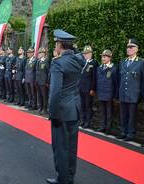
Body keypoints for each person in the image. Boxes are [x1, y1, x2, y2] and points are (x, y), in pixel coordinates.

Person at [47, 29, 85, 184]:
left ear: (60, 44)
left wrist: (53, 114)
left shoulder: (58, 63)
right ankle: (70, 176)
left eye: (56, 43)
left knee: (60, 147)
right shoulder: (78, 60)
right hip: (74, 109)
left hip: (62, 111)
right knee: (71, 147)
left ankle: (62, 179)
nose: (55, 46)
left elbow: (55, 92)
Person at [117, 39, 144, 141]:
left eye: (131, 47)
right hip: (123, 94)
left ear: (136, 49)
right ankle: (123, 132)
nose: (128, 49)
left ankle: (130, 134)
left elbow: (143, 80)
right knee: (123, 115)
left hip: (134, 94)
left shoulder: (142, 63)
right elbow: (118, 79)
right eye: (127, 47)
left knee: (132, 116)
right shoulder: (122, 62)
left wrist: (141, 95)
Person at [96, 49, 118, 134]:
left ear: (110, 58)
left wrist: (115, 95)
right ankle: (102, 126)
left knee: (109, 112)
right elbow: (97, 80)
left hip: (109, 94)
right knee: (102, 111)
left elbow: (116, 83)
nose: (103, 58)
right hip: (101, 93)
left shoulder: (114, 68)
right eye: (102, 56)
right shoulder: (99, 68)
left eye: (105, 57)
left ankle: (108, 128)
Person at [79, 45, 98, 128]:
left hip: (88, 89)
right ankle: (82, 120)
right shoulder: (82, 63)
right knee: (82, 105)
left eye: (87, 53)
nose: (86, 55)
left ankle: (88, 121)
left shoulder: (94, 63)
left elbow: (94, 77)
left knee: (88, 106)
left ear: (91, 53)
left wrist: (92, 89)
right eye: (85, 53)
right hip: (81, 88)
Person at [35, 47, 50, 115]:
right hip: (38, 81)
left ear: (44, 54)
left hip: (44, 82)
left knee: (44, 96)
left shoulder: (46, 61)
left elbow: (48, 72)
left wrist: (47, 81)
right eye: (39, 53)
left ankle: (45, 108)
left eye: (40, 53)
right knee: (39, 95)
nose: (39, 54)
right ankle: (40, 107)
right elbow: (37, 71)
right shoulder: (38, 61)